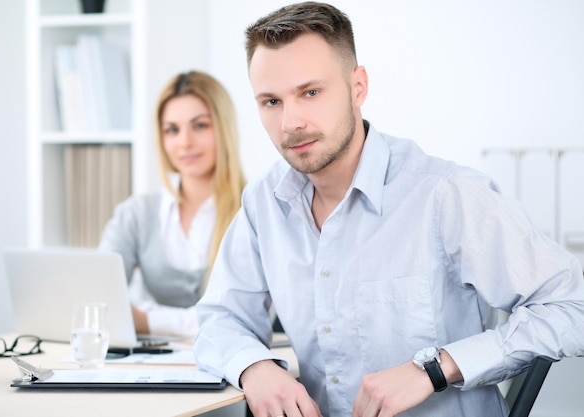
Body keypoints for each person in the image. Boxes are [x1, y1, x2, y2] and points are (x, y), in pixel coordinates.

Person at [193, 2, 584, 417]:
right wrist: (255, 367)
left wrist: (434, 369)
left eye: (311, 92)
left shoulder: (444, 195)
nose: (291, 122)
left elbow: (572, 307)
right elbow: (220, 318)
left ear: (357, 87)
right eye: (271, 101)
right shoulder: (263, 204)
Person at [99, 70, 246, 338]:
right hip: (153, 366)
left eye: (200, 125)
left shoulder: (253, 211)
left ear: (224, 128)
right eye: (172, 130)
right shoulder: (136, 214)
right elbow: (99, 300)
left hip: (237, 367)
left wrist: (146, 320)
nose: (184, 142)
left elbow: (244, 316)